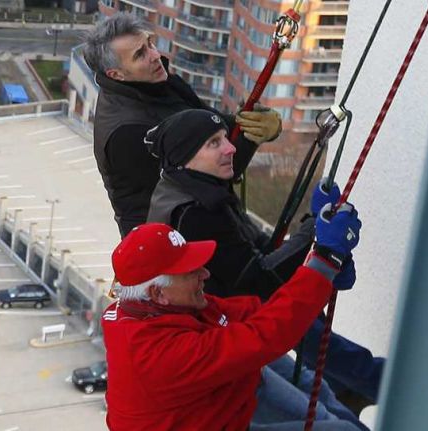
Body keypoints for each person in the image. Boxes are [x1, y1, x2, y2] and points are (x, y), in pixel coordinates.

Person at [146, 109, 383, 408]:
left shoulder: (197, 190)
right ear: (186, 158)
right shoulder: (194, 213)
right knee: (322, 407)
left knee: (319, 381)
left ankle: (363, 383)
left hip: (230, 329)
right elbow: (259, 282)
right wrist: (318, 237)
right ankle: (376, 383)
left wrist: (316, 236)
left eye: (225, 139)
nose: (232, 148)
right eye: (214, 143)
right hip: (226, 353)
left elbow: (259, 252)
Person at [103, 213, 363, 430]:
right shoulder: (159, 354)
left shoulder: (160, 310)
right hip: (220, 419)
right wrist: (324, 263)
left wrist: (319, 274)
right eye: (191, 271)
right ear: (157, 292)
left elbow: (254, 313)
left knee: (326, 408)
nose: (205, 273)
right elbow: (265, 335)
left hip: (221, 410)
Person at [83, 13, 282, 237]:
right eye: (140, 54)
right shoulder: (127, 133)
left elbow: (211, 123)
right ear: (116, 74)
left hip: (194, 221)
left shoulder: (160, 83)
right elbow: (208, 176)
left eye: (150, 44)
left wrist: (249, 119)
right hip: (165, 243)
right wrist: (251, 136)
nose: (155, 55)